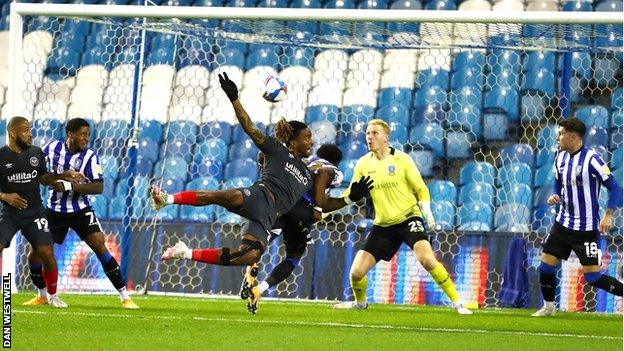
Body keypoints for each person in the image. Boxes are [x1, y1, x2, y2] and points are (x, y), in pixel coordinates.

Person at [152, 72, 316, 311]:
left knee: (248, 256)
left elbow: (320, 201)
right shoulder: (277, 150)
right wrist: (234, 99)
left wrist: (344, 199)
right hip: (260, 195)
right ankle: (167, 199)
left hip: (268, 217)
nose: (310, 141)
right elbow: (250, 128)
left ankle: (184, 253)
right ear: (293, 142)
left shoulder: (310, 176)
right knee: (226, 196)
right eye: (307, 137)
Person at [323, 119, 472, 314]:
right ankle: (360, 303)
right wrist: (326, 210)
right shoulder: (363, 164)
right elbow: (351, 195)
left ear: (386, 137)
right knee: (356, 273)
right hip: (383, 225)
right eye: (367, 133)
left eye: (375, 133)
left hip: (409, 218)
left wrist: (425, 209)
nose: (369, 137)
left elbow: (420, 188)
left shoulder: (402, 159)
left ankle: (457, 303)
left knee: (427, 259)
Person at [24, 118, 139, 309]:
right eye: (83, 134)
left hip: (81, 210)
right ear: (70, 133)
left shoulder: (90, 157)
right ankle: (42, 295)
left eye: (88, 135)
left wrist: (68, 186)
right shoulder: (52, 148)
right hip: (54, 211)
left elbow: (98, 186)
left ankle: (125, 297)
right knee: (35, 255)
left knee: (100, 247)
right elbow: (41, 174)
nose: (86, 139)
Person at [239, 144, 346, 313]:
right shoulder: (335, 171)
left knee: (259, 243)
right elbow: (323, 173)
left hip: (281, 203)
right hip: (301, 211)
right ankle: (260, 289)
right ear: (337, 162)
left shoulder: (303, 159)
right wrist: (318, 208)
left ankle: (249, 270)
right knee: (292, 258)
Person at [532, 118, 622, 317]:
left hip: (587, 230)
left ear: (572, 137)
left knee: (593, 278)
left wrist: (608, 215)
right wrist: (555, 195)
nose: (558, 137)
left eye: (561, 133)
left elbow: (616, 188)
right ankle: (549, 307)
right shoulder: (560, 157)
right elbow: (558, 181)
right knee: (545, 266)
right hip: (562, 225)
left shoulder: (593, 159)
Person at [1, 116, 82, 308]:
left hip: (35, 213)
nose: (30, 134)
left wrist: (63, 175)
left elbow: (44, 178)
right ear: (13, 133)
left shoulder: (36, 153)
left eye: (30, 130)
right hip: (9, 215)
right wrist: (6, 197)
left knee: (46, 252)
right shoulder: (1, 156)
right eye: (26, 130)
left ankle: (50, 295)